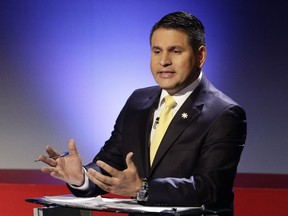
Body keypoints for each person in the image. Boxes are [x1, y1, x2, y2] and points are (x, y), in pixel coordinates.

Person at [38, 11, 247, 212]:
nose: (163, 61)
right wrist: (81, 177)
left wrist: (142, 189)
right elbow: (110, 163)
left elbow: (210, 188)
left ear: (200, 56)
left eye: (175, 51)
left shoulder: (225, 114)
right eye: (157, 51)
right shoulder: (138, 102)